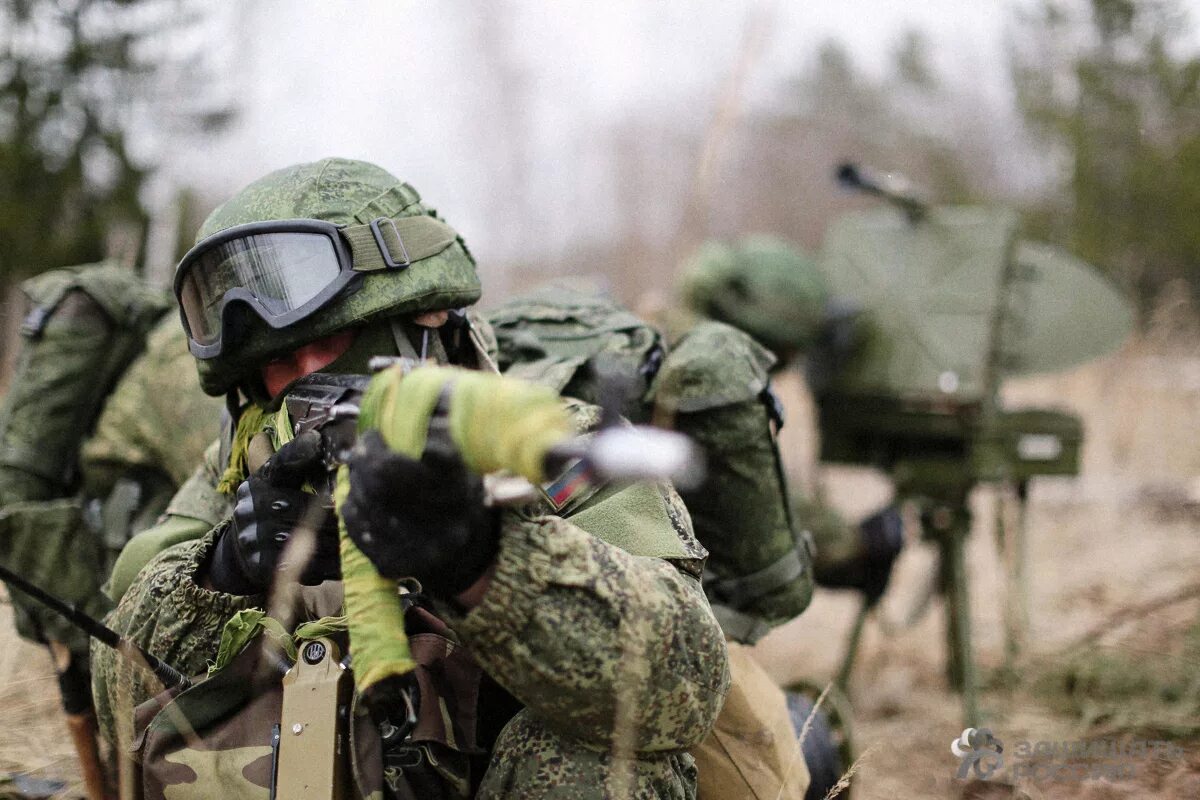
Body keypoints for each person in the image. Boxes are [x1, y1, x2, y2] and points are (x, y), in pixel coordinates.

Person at [91, 157, 729, 799]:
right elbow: (115, 697)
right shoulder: (241, 464)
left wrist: (483, 563)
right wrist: (224, 570)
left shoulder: (556, 444)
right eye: (278, 360)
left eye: (333, 339)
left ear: (423, 321)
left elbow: (683, 683)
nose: (304, 376)